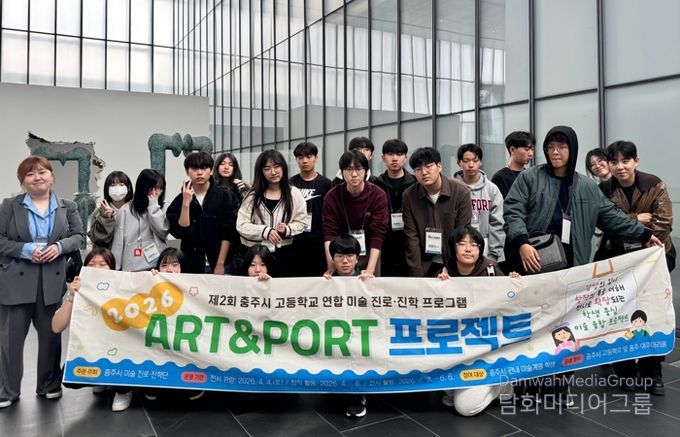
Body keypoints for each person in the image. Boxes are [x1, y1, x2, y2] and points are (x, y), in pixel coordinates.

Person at [503, 125, 662, 405]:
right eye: (551, 147)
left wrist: (645, 235)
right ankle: (528, 383)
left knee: (567, 328)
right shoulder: (530, 178)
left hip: (572, 269)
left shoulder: (587, 186)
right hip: (534, 264)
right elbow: (513, 210)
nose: (555, 152)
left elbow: (612, 218)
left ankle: (558, 385)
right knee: (532, 325)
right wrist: (522, 242)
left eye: (562, 147)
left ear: (572, 150)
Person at [0, 156, 85, 409]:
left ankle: (49, 384)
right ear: (22, 181)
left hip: (51, 279)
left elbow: (78, 236)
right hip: (15, 280)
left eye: (42, 172)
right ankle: (8, 390)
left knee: (51, 335)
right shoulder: (9, 206)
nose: (37, 177)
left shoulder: (67, 206)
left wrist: (59, 247)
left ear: (52, 176)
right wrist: (25, 250)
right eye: (30, 174)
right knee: (11, 340)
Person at [598, 140, 673, 395]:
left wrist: (628, 228)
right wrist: (636, 220)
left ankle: (653, 373)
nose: (620, 167)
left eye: (625, 161)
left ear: (636, 161)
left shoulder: (654, 184)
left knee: (652, 313)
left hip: (654, 259)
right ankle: (626, 372)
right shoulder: (604, 189)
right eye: (614, 162)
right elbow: (606, 224)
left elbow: (663, 224)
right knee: (620, 314)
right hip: (619, 260)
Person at [436, 226, 515, 416]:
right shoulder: (444, 273)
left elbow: (512, 305)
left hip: (486, 353)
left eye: (474, 244)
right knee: (444, 385)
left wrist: (515, 284)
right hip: (457, 351)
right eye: (462, 244)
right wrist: (437, 289)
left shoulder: (492, 271)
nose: (468, 249)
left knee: (465, 408)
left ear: (480, 249)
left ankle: (502, 385)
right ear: (453, 248)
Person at [51, 248, 135, 411]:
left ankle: (123, 390)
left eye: (103, 264)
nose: (97, 268)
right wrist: (71, 296)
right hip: (94, 348)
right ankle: (101, 379)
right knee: (69, 378)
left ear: (112, 269)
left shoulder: (122, 289)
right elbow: (56, 326)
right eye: (91, 264)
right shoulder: (81, 290)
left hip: (119, 349)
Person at [402, 147, 472, 277]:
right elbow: (411, 237)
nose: (424, 172)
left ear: (439, 166)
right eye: (418, 169)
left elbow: (462, 233)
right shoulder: (409, 196)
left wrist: (453, 269)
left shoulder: (460, 192)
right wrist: (417, 276)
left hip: (454, 263)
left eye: (428, 167)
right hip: (425, 264)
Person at [236, 150, 307, 277]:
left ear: (283, 167)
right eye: (267, 168)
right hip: (256, 256)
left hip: (285, 254)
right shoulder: (253, 196)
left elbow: (302, 222)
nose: (273, 172)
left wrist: (287, 229)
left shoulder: (294, 193)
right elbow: (241, 225)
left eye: (276, 166)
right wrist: (265, 231)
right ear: (261, 172)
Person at [167, 152, 240, 274]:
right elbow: (181, 232)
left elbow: (228, 233)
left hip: (222, 263)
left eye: (204, 168)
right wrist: (186, 203)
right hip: (192, 264)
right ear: (187, 172)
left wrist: (220, 264)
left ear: (211, 170)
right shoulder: (180, 200)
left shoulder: (225, 196)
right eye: (194, 168)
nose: (199, 172)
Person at [322, 234, 371, 417]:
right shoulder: (324, 283)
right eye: (339, 256)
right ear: (332, 258)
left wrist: (371, 284)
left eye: (350, 256)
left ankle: (356, 395)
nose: (344, 261)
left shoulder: (367, 281)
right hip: (334, 336)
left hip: (360, 337)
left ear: (357, 258)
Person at [322, 150, 388, 279]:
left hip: (370, 250)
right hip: (341, 252)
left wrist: (370, 269)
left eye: (359, 169)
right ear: (342, 172)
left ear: (366, 171)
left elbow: (378, 235)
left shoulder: (378, 195)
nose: (354, 174)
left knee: (368, 286)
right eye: (349, 169)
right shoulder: (332, 196)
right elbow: (329, 232)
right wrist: (331, 265)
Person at [453, 143, 505, 263]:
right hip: (459, 245)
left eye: (475, 160)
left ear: (480, 162)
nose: (471, 165)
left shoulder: (492, 189)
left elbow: (497, 223)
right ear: (459, 162)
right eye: (466, 161)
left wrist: (494, 253)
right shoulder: (453, 188)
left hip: (486, 244)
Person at [373, 139, 416, 277]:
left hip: (410, 241)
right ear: (383, 158)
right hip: (384, 243)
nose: (395, 158)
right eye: (390, 154)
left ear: (405, 158)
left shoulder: (415, 183)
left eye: (399, 154)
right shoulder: (375, 185)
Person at [289, 142, 333, 276]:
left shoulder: (326, 184)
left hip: (318, 242)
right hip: (294, 241)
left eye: (309, 157)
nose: (305, 161)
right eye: (300, 157)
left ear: (316, 158)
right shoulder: (290, 184)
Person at [111, 169, 168, 272]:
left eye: (160, 188)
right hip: (131, 269)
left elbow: (162, 231)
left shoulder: (164, 208)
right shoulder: (125, 210)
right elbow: (118, 243)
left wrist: (153, 206)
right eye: (153, 188)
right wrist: (115, 270)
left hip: (156, 268)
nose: (156, 192)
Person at [88, 171, 134, 249]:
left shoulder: (135, 211)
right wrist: (106, 219)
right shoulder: (98, 213)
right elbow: (98, 240)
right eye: (113, 185)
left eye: (121, 185)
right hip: (107, 255)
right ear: (107, 189)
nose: (117, 188)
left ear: (128, 188)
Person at [492, 131, 535, 199]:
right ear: (512, 149)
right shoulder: (500, 177)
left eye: (532, 149)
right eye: (526, 149)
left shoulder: (531, 176)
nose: (531, 153)